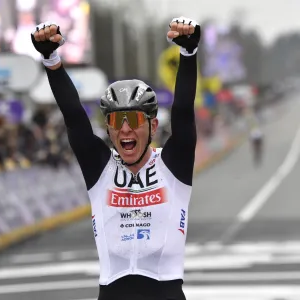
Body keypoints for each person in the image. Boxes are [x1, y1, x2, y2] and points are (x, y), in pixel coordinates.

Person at [31, 16, 200, 300]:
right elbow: (74, 117)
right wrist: (51, 60)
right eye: (115, 120)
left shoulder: (173, 165)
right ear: (108, 128)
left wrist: (188, 54)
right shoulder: (100, 168)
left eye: (133, 119)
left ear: (153, 127)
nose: (124, 129)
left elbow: (183, 112)